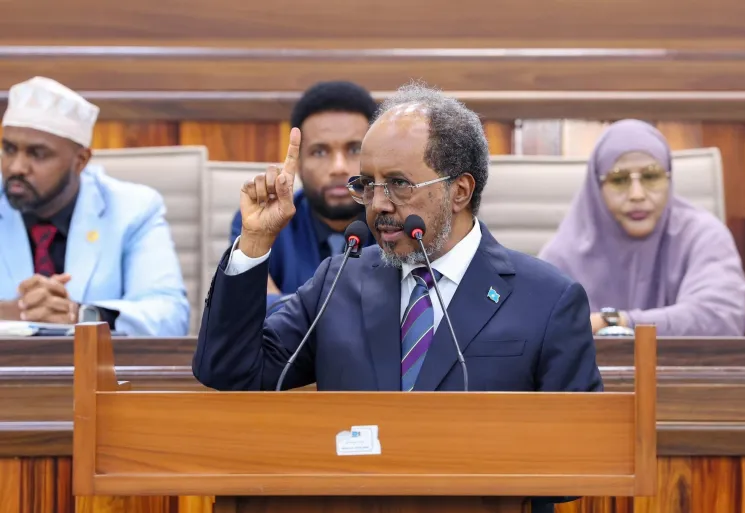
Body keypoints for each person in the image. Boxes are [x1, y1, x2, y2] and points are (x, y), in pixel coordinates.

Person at [196, 83, 602, 513]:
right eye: (367, 185)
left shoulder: (548, 299)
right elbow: (232, 371)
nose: (377, 205)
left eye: (398, 184)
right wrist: (255, 241)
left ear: (460, 191)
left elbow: (578, 459)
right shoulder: (339, 280)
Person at [0, 76, 189, 336]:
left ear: (81, 161)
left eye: (37, 154)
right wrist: (18, 311)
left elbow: (170, 317)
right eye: (8, 149)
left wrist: (80, 315)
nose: (16, 167)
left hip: (98, 372)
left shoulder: (134, 209)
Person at [538, 119, 745, 336]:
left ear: (669, 178)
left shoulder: (703, 236)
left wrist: (616, 322)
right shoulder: (563, 253)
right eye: (619, 179)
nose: (637, 194)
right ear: (596, 188)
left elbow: (720, 319)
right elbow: (536, 331)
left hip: (684, 369)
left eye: (651, 176)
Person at [229, 81, 377, 307]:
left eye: (355, 150)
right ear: (298, 163)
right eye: (319, 152)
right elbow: (243, 315)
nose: (338, 167)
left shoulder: (399, 222)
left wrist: (282, 305)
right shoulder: (262, 221)